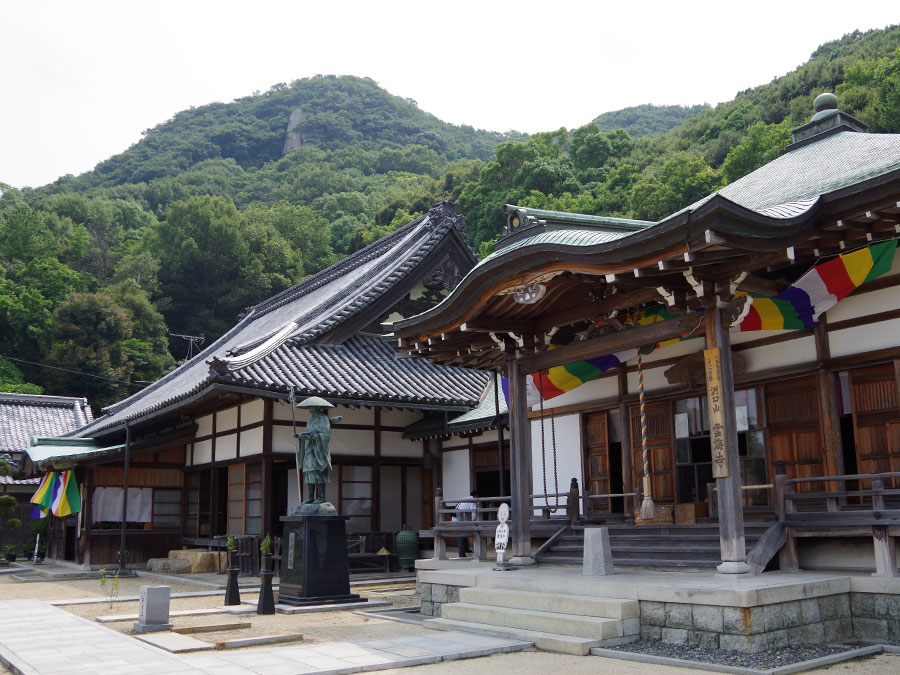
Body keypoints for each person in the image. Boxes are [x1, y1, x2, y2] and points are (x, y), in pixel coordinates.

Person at [455, 489, 478, 557]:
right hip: (461, 520)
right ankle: (461, 553)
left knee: (464, 534)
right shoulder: (472, 501)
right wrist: (474, 521)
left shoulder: (464, 498)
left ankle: (465, 549)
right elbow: (473, 513)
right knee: (462, 534)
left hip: (458, 519)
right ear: (476, 496)